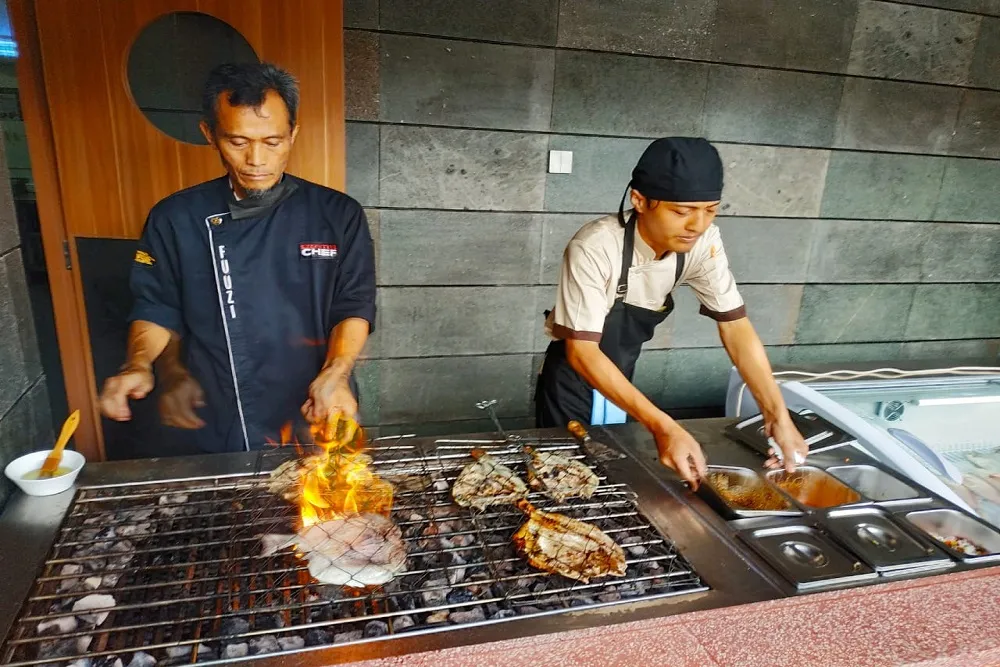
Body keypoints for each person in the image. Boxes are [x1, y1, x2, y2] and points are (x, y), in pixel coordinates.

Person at [99, 62, 375, 451]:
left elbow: (353, 305)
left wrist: (337, 372)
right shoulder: (176, 217)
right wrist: (138, 364)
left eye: (273, 141)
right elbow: (156, 306)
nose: (256, 160)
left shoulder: (338, 214)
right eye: (238, 141)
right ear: (210, 135)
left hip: (318, 400)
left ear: (293, 133)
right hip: (215, 404)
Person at [535, 137, 807, 487]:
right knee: (564, 471)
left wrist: (777, 415)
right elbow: (582, 351)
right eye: (682, 211)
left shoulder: (702, 242)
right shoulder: (595, 247)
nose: (698, 225)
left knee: (612, 465)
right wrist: (665, 427)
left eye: (711, 210)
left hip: (621, 368)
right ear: (640, 200)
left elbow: (736, 326)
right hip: (573, 374)